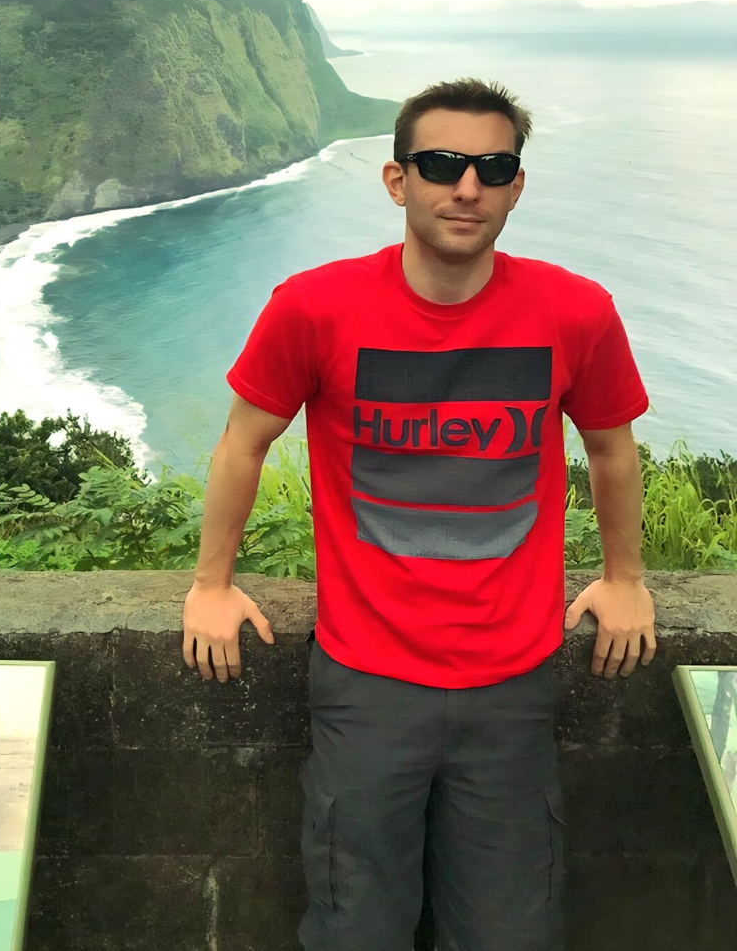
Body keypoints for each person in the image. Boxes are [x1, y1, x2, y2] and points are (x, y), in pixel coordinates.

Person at [181, 78, 657, 951]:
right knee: (354, 926)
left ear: (517, 185)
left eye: (492, 166)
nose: (465, 186)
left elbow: (611, 448)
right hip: (366, 680)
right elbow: (242, 443)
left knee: (512, 931)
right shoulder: (315, 306)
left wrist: (627, 579)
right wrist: (210, 585)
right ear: (398, 180)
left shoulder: (574, 311)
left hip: (512, 679)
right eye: (440, 164)